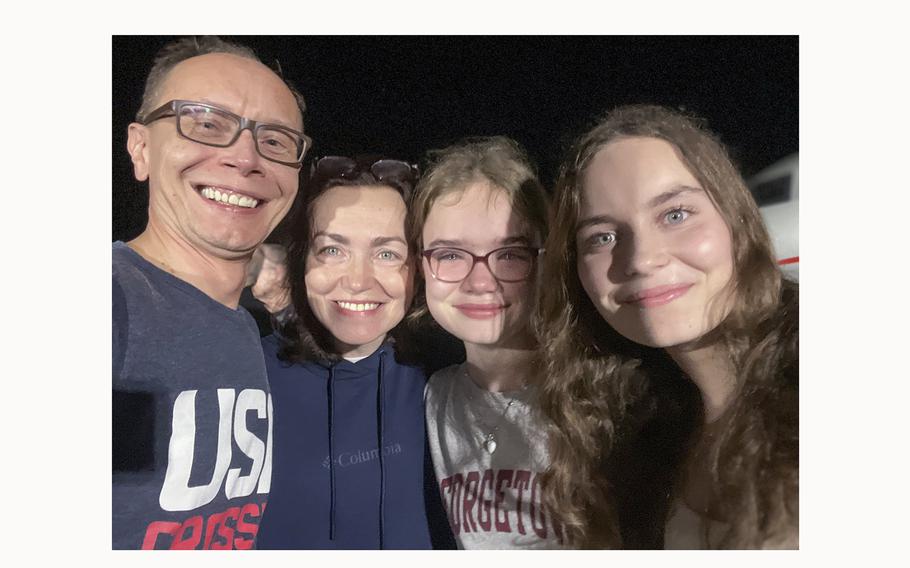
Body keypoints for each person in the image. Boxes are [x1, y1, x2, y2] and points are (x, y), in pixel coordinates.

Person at [537, 104, 798, 549]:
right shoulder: (636, 436)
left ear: (737, 219)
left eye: (675, 214)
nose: (640, 259)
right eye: (602, 237)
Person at [112, 36, 311, 549]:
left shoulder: (251, 323)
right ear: (140, 148)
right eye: (205, 123)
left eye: (275, 140)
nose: (244, 157)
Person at [255, 156, 452, 549]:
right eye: (331, 251)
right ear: (300, 260)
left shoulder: (445, 381)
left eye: (387, 254)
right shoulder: (244, 376)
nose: (358, 281)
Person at [408, 137, 563, 548]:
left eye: (510, 254)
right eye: (450, 255)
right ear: (421, 265)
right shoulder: (433, 398)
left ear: (545, 261)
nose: (480, 282)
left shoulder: (598, 401)